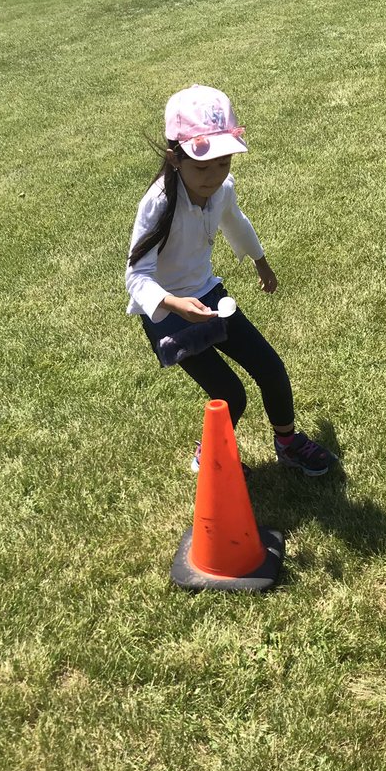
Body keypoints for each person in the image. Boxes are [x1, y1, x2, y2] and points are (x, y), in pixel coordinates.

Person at [126, 85, 338, 477]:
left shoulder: (221, 188)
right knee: (230, 395)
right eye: (202, 167)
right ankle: (209, 455)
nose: (213, 177)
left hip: (209, 296)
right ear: (175, 158)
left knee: (271, 368)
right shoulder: (158, 203)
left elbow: (235, 222)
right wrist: (173, 304)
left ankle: (288, 443)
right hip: (169, 315)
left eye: (223, 164)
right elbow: (136, 274)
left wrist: (261, 262)